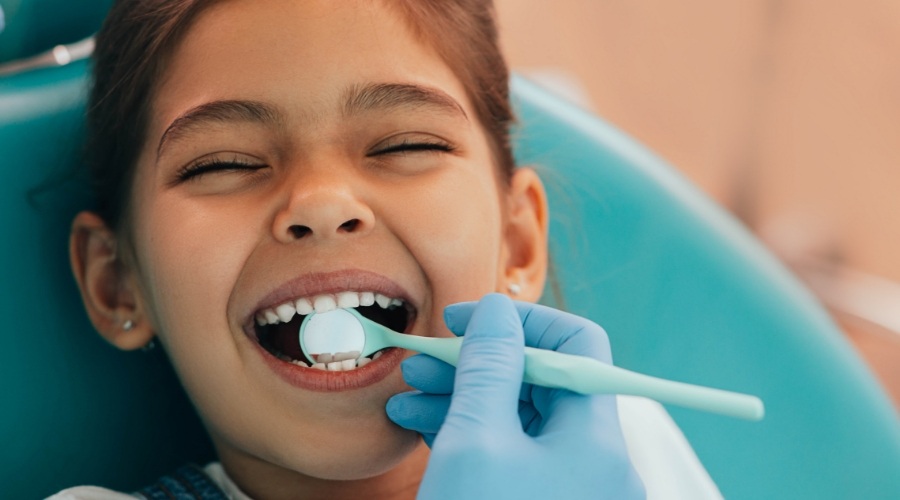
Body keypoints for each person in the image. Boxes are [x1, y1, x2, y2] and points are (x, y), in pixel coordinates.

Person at [53, 0, 721, 498]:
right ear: (118, 283)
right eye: (224, 163)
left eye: (406, 146)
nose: (321, 202)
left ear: (517, 242)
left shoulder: (625, 449)